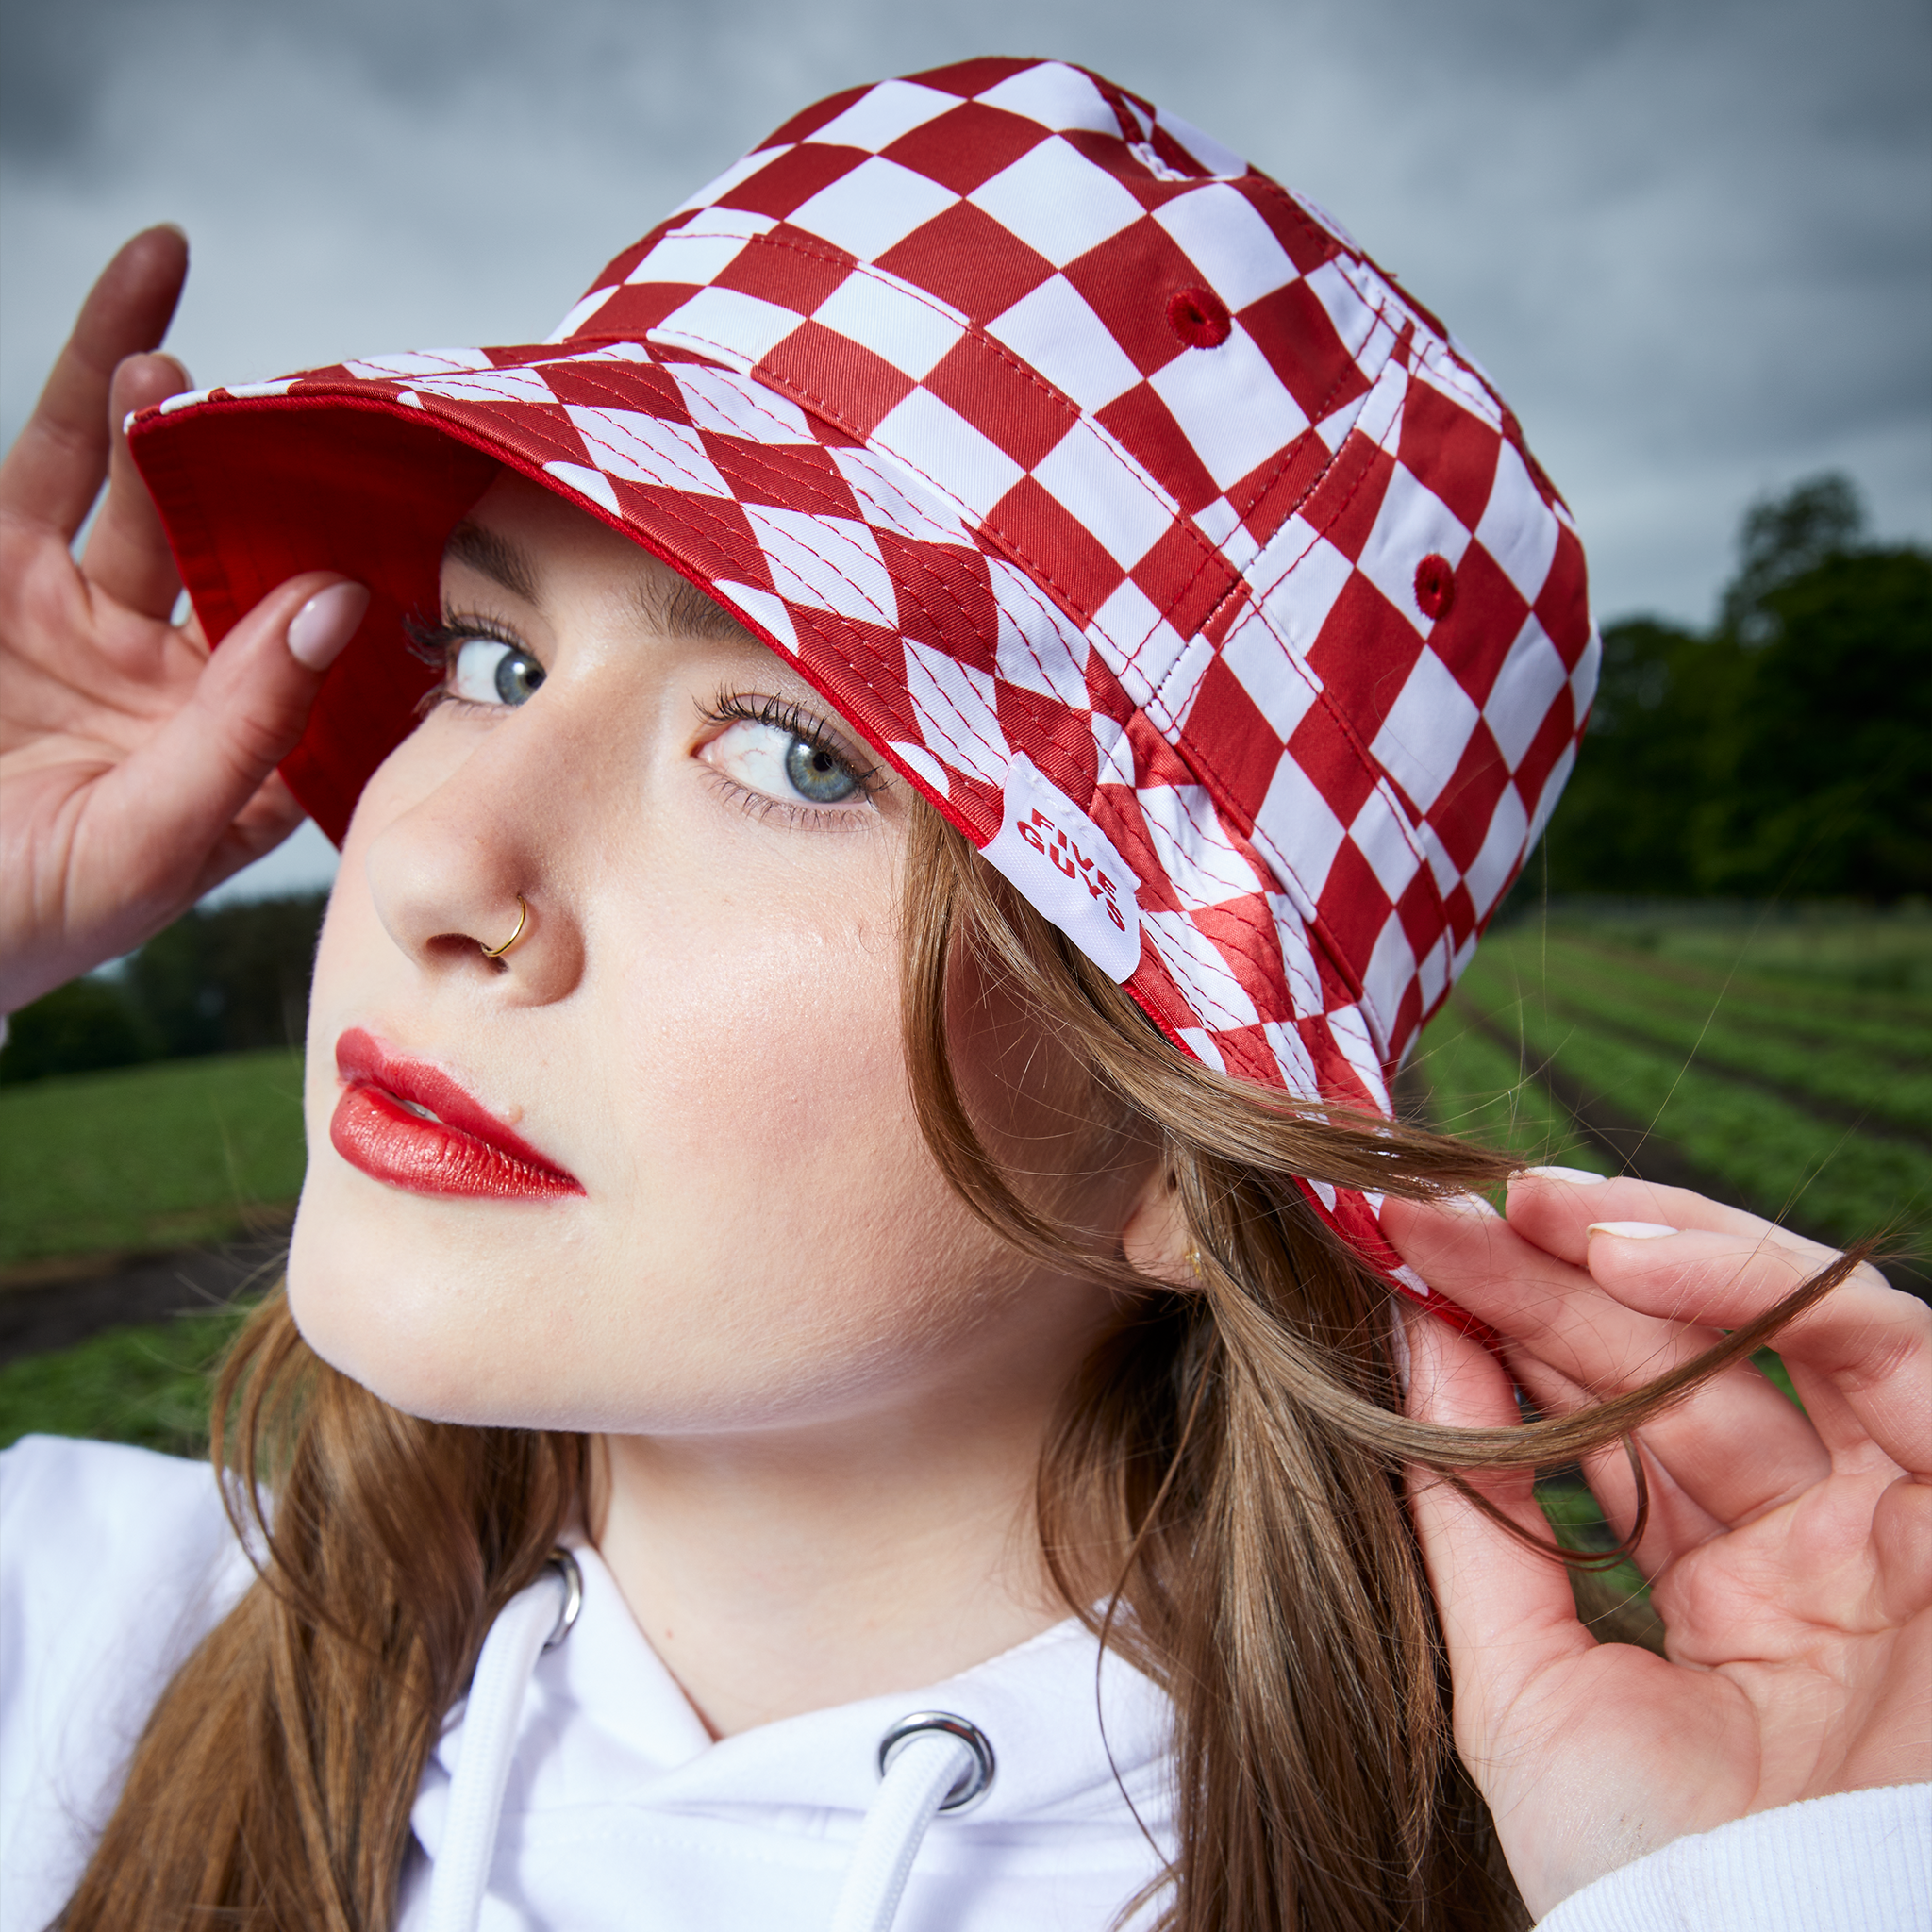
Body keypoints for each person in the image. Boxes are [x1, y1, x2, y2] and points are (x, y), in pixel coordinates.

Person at [0, 57, 1924, 1932]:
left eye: (801, 754)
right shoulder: (75, 1650)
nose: (425, 863)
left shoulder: (1607, 1870)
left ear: (1175, 1139)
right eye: (491, 659)